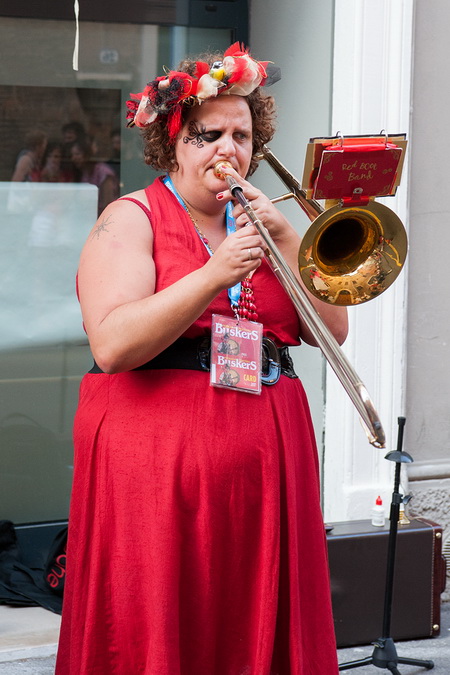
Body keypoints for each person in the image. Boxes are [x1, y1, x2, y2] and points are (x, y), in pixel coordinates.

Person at [55, 43, 348, 674]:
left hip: (268, 461)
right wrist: (214, 275)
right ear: (172, 144)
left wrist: (291, 237)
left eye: (242, 134)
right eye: (207, 135)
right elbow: (112, 344)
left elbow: (334, 331)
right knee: (161, 620)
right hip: (160, 466)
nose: (228, 149)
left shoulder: (265, 224)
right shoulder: (130, 218)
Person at [70, 137, 119, 214]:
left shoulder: (104, 173)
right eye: (72, 155)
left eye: (77, 154)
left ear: (87, 155)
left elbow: (107, 203)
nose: (73, 158)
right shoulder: (83, 172)